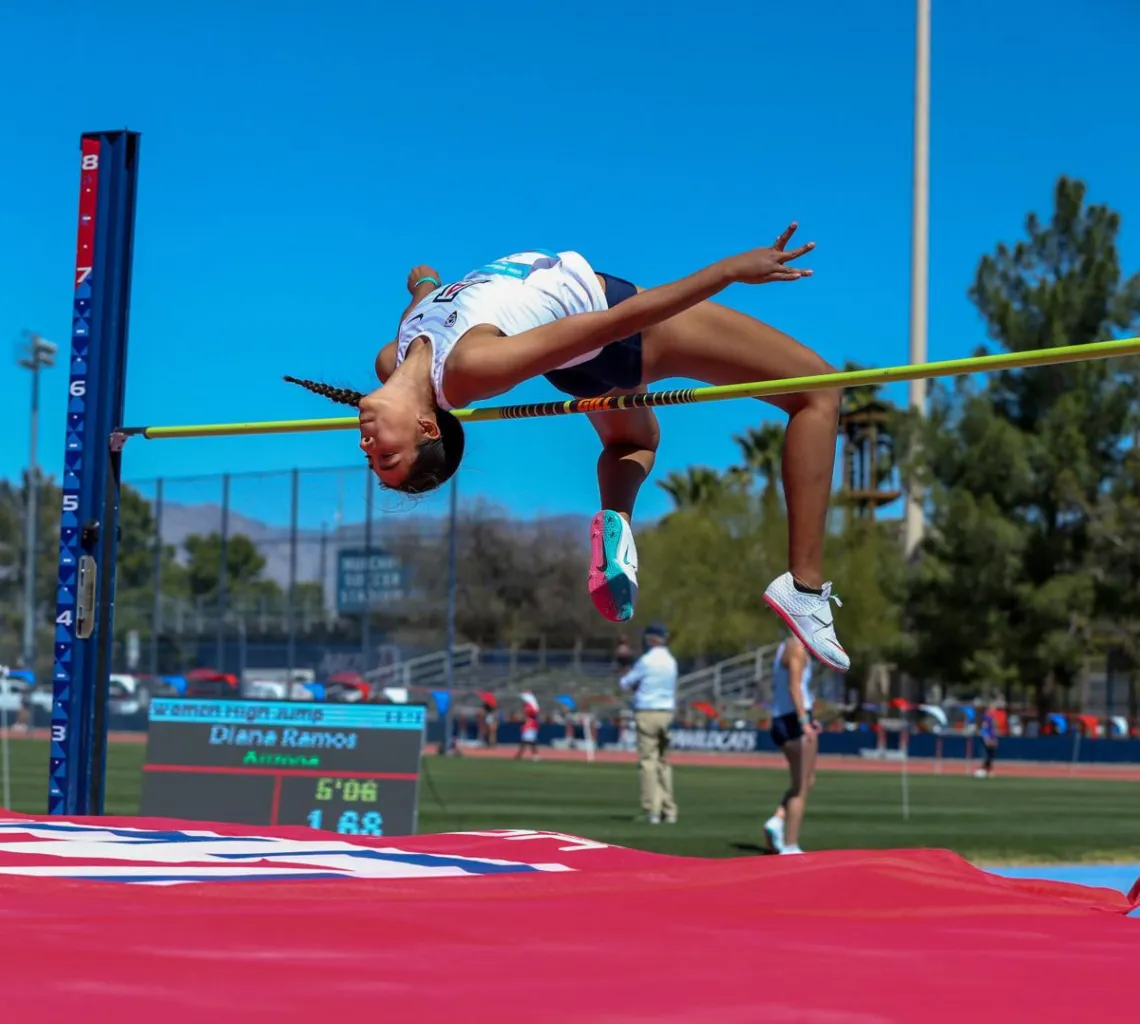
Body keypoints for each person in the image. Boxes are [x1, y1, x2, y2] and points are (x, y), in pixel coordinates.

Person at [286, 227, 848, 671]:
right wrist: (727, 271)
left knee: (635, 440)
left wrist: (423, 282)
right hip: (617, 331)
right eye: (386, 457)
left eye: (372, 457)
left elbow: (431, 302)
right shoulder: (471, 369)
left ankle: (617, 524)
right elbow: (616, 321)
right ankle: (804, 586)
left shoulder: (394, 358)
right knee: (819, 391)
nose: (365, 446)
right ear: (428, 429)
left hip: (579, 363)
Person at [763, 632, 818, 855]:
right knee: (800, 787)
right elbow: (794, 686)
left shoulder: (788, 645)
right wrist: (804, 721)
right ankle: (790, 845)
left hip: (788, 716)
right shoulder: (796, 647)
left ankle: (778, 820)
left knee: (806, 779)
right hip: (792, 719)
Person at [620, 623, 679, 824]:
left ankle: (651, 810)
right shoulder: (671, 661)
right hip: (667, 712)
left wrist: (624, 663)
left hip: (647, 711)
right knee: (663, 762)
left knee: (648, 762)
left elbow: (626, 682)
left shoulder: (646, 661)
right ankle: (669, 810)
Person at [516, 692, 541, 762]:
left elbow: (532, 714)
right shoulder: (526, 706)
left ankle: (534, 754)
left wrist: (524, 718)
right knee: (526, 741)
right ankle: (521, 754)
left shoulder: (531, 707)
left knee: (530, 741)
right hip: (528, 725)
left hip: (531, 725)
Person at [975, 702, 998, 778]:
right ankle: (984, 769)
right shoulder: (985, 717)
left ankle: (988, 769)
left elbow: (993, 729)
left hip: (992, 738)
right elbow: (984, 729)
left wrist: (994, 738)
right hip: (987, 739)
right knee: (987, 755)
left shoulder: (992, 718)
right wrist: (986, 738)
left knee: (991, 755)